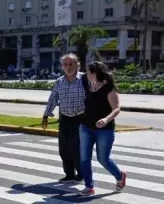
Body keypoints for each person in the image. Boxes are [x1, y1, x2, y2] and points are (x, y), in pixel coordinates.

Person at [78, 61, 127, 196]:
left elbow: (116, 108)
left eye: (88, 72)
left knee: (103, 159)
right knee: (84, 158)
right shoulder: (89, 87)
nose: (86, 74)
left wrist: (106, 119)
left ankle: (120, 175)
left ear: (94, 73)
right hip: (85, 127)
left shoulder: (109, 88)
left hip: (104, 130)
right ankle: (89, 187)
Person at [42, 53, 86, 182]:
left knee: (76, 147)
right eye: (65, 64)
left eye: (71, 64)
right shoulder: (59, 81)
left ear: (78, 65)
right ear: (62, 66)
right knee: (64, 148)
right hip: (65, 118)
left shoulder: (85, 79)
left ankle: (81, 173)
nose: (68, 67)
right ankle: (69, 174)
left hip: (80, 118)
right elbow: (53, 98)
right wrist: (46, 115)